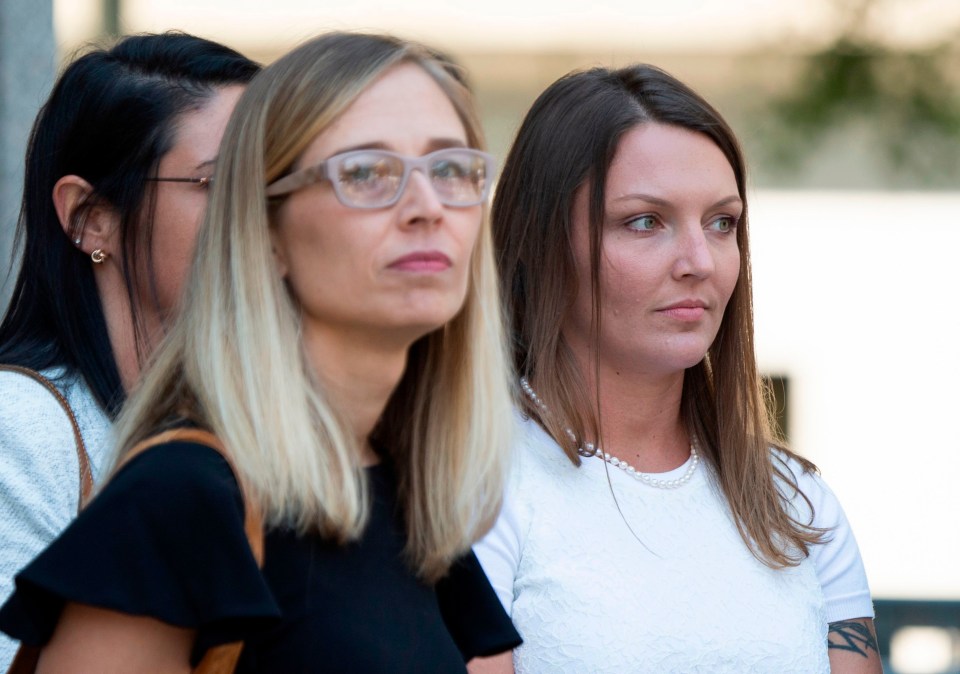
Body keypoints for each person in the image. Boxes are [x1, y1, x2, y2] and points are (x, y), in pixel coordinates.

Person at [0, 32, 520, 672]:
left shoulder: (412, 496)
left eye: (450, 169)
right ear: (261, 227)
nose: (427, 207)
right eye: (364, 172)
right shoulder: (180, 497)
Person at [472, 65, 880, 673]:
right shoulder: (478, 483)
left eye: (722, 223)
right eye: (644, 221)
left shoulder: (795, 502)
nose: (699, 261)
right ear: (539, 242)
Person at [0, 32, 259, 669]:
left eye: (276, 182)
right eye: (219, 182)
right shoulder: (20, 429)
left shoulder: (262, 418)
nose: (261, 215)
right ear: (89, 217)